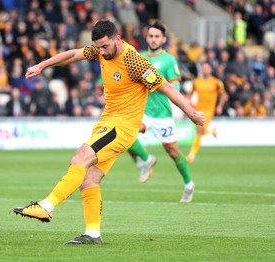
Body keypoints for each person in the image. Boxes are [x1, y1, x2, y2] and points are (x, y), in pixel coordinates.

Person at [13, 20, 205, 245]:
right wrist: (42, 66)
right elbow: (74, 55)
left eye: (105, 46)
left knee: (80, 157)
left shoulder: (134, 62)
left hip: (121, 126)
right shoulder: (101, 51)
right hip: (110, 122)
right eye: (98, 47)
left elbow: (167, 87)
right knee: (89, 178)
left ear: (118, 39)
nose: (101, 52)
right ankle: (93, 234)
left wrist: (192, 114)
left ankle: (46, 207)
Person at [127, 21, 195, 202]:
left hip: (162, 112)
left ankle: (188, 184)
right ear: (146, 38)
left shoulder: (168, 60)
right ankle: (146, 159)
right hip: (142, 108)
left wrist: (160, 86)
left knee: (173, 152)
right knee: (125, 134)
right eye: (151, 36)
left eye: (157, 36)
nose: (154, 39)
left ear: (163, 39)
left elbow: (176, 85)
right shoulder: (138, 57)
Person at [187, 62, 227, 164]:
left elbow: (223, 95)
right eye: (203, 68)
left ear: (210, 69)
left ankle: (191, 155)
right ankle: (211, 131)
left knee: (199, 130)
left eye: (207, 68)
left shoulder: (216, 82)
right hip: (198, 110)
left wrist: (220, 106)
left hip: (209, 111)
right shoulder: (196, 81)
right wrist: (188, 104)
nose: (205, 70)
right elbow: (190, 94)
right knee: (199, 132)